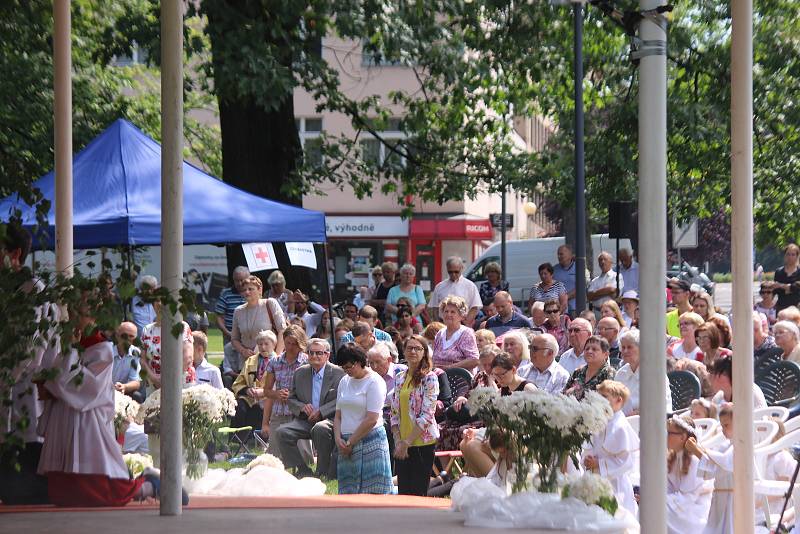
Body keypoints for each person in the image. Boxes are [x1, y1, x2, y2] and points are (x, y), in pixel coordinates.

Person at [35, 302, 179, 506]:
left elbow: (84, 387)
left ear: (93, 317)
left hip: (85, 418)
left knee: (96, 487)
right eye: (73, 312)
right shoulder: (67, 340)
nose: (75, 318)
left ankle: (148, 485)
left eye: (81, 313)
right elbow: (51, 372)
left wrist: (68, 357)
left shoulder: (101, 347)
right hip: (63, 416)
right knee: (64, 493)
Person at [275, 338, 344, 479]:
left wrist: (322, 411)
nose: (314, 356)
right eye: (311, 353)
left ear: (327, 355)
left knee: (320, 428)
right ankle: (302, 469)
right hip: (306, 420)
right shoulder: (300, 372)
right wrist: (302, 407)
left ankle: (321, 471)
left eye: (319, 353)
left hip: (330, 419)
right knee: (282, 432)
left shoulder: (338, 373)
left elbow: (341, 399)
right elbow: (291, 398)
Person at [334, 344, 393, 494]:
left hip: (370, 440)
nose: (347, 371)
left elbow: (372, 418)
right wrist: (338, 439)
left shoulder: (375, 381)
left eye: (349, 366)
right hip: (346, 441)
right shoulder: (344, 381)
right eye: (343, 368)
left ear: (359, 361)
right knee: (348, 490)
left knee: (374, 492)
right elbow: (338, 414)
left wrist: (350, 442)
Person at [391, 335, 440, 496]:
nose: (413, 351)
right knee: (404, 491)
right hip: (402, 442)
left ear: (424, 352)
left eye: (417, 348)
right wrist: (399, 441)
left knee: (418, 492)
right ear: (403, 351)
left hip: (421, 442)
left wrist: (408, 442)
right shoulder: (399, 378)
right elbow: (394, 412)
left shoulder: (430, 378)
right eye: (409, 348)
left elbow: (427, 414)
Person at [583, 380, 638, 516]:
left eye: (604, 397)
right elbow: (591, 446)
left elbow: (626, 462)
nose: (599, 400)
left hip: (615, 485)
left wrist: (599, 464)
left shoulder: (620, 427)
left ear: (618, 400)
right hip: (594, 478)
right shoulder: (599, 421)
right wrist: (587, 459)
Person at [684, 403, 735, 534]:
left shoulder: (740, 444)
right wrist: (699, 451)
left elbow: (725, 462)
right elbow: (714, 466)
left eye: (727, 425)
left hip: (732, 496)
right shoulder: (726, 445)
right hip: (720, 493)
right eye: (722, 426)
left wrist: (701, 450)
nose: (723, 430)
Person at [258, 325, 309, 458]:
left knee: (304, 456)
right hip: (279, 413)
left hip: (299, 414)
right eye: (288, 343)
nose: (291, 347)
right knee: (274, 457)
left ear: (301, 344)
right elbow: (266, 391)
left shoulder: (307, 362)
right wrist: (276, 394)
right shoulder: (275, 362)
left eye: (295, 344)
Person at [665, 415, 710, 534]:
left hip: (693, 511)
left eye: (670, 433)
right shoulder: (673, 458)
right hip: (678, 504)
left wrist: (662, 500)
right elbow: (668, 488)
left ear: (682, 437)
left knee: (657, 510)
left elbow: (688, 497)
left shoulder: (694, 461)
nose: (666, 436)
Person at [231, 329, 278, 440]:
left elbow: (282, 385)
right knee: (239, 406)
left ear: (274, 345)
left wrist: (264, 392)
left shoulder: (278, 361)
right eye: (260, 344)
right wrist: (247, 390)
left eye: (266, 344)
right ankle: (238, 440)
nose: (263, 347)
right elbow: (238, 383)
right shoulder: (251, 360)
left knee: (262, 407)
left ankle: (260, 439)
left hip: (269, 398)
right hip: (250, 397)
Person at [367, 343, 406, 473]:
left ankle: (389, 470)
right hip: (375, 413)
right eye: (371, 363)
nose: (374, 367)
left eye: (378, 362)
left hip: (397, 413)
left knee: (383, 426)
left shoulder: (401, 371)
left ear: (389, 360)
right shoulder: (369, 375)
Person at [613, 329, 672, 416]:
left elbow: (657, 406)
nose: (625, 351)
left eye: (629, 347)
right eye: (623, 347)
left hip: (652, 420)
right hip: (624, 420)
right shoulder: (621, 373)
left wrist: (633, 415)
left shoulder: (654, 373)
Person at [231, 275, 287, 361]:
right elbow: (234, 339)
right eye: (244, 290)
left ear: (259, 290)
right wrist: (243, 351)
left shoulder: (270, 303)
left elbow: (282, 330)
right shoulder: (238, 311)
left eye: (250, 289)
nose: (247, 292)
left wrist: (277, 357)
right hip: (247, 361)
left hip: (269, 359)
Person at [139, 304, 194, 389]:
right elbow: (142, 360)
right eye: (157, 300)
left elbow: (187, 358)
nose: (160, 304)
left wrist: (168, 380)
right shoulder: (147, 330)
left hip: (179, 383)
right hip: (153, 385)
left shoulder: (182, 327)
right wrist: (155, 379)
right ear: (153, 305)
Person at [216, 266, 249, 386]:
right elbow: (219, 317)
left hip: (247, 337)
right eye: (236, 280)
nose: (239, 283)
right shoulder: (226, 294)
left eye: (242, 280)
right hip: (229, 336)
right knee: (230, 365)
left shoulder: (251, 293)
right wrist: (228, 333)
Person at [428, 256, 482, 327]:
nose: (453, 274)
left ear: (461, 268)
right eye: (450, 272)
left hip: (462, 323)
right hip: (443, 324)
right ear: (447, 269)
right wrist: (438, 325)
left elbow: (475, 306)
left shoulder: (470, 286)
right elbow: (435, 308)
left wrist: (466, 323)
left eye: (456, 272)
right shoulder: (440, 287)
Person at [432, 296, 480, 371]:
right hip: (438, 377)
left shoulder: (466, 333)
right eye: (446, 311)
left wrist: (450, 368)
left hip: (459, 378)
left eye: (453, 312)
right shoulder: (440, 333)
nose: (448, 314)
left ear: (461, 316)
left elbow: (474, 360)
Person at [563, 335, 616, 401]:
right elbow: (563, 394)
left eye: (594, 349)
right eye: (587, 349)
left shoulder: (608, 372)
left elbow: (606, 398)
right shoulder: (578, 371)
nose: (589, 351)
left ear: (606, 354)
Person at [111, 321, 143, 403]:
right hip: (105, 390)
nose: (127, 339)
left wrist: (124, 387)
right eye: (124, 336)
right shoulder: (107, 350)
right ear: (117, 336)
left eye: (131, 336)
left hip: (123, 391)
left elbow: (136, 382)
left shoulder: (136, 353)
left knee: (137, 396)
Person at [553, 244, 581, 314]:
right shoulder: (554, 270)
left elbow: (582, 287)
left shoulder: (579, 268)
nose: (559, 256)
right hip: (559, 308)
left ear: (569, 254)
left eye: (561, 254)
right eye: (558, 254)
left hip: (575, 308)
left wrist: (566, 297)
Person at [773, 243, 800, 312]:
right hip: (781, 308)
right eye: (788, 254)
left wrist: (781, 285)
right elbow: (776, 290)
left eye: (793, 254)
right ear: (784, 255)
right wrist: (789, 288)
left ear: (797, 256)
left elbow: (797, 288)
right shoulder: (779, 272)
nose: (790, 257)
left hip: (797, 308)